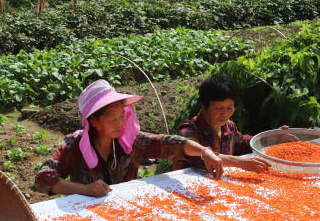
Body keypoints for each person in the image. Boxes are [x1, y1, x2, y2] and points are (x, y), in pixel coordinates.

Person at [36, 80, 224, 197]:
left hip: (126, 213)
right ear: (93, 120)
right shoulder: (74, 145)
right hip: (87, 217)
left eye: (121, 117)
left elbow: (169, 143)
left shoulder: (129, 141)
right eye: (112, 119)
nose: (120, 124)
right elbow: (44, 179)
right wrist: (85, 189)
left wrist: (205, 152)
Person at [175, 73, 279, 172]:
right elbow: (201, 157)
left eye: (229, 107)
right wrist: (240, 162)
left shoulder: (229, 127)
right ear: (204, 106)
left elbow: (245, 144)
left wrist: (274, 138)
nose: (225, 114)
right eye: (219, 108)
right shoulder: (187, 131)